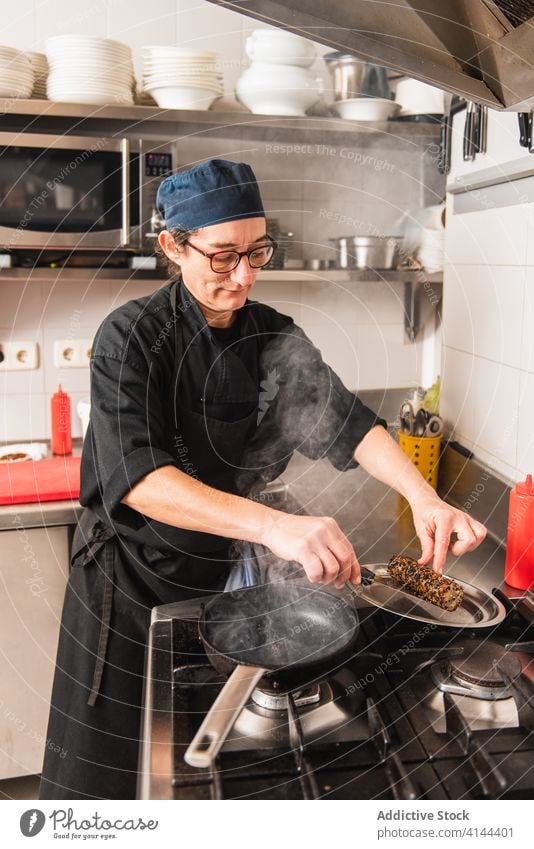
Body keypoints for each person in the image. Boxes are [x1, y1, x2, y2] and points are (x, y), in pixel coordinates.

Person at [39, 159, 486, 800]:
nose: (244, 275)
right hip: (131, 584)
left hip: (218, 576)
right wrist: (275, 525)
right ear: (173, 246)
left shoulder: (274, 334)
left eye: (258, 251)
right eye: (223, 257)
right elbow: (138, 479)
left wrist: (424, 497)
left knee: (207, 770)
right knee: (109, 772)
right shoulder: (131, 338)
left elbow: (351, 425)